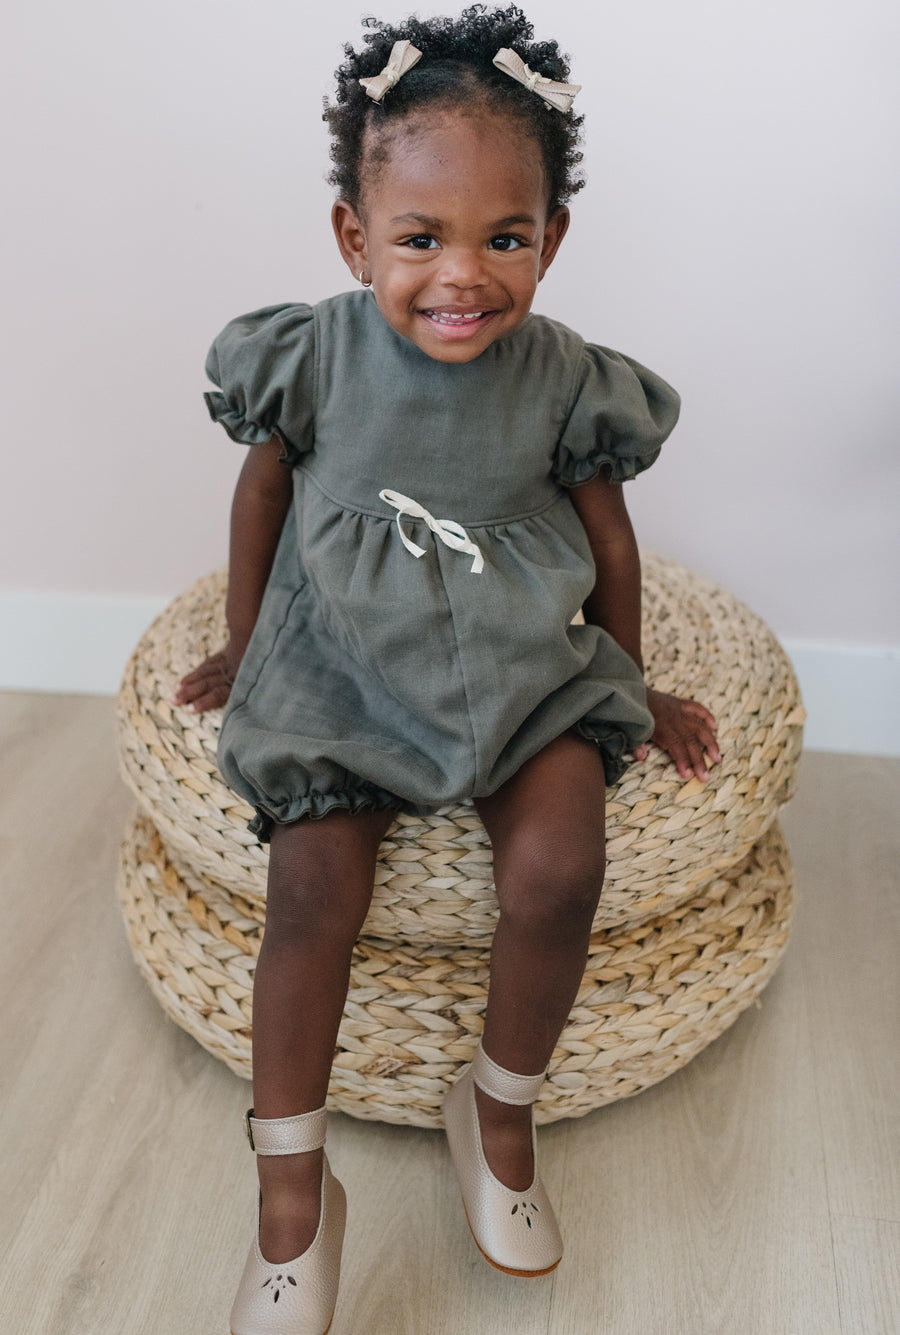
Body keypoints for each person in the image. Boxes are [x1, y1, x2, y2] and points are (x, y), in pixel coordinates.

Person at [173, 6, 720, 1332]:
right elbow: (259, 501)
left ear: (552, 236)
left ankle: (498, 1106)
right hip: (348, 662)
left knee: (558, 866)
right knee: (314, 888)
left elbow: (607, 535)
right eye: (420, 238)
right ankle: (293, 1195)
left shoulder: (567, 380)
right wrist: (249, 648)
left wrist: (635, 687)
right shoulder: (311, 355)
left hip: (514, 654)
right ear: (357, 238)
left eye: (504, 237)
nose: (462, 275)